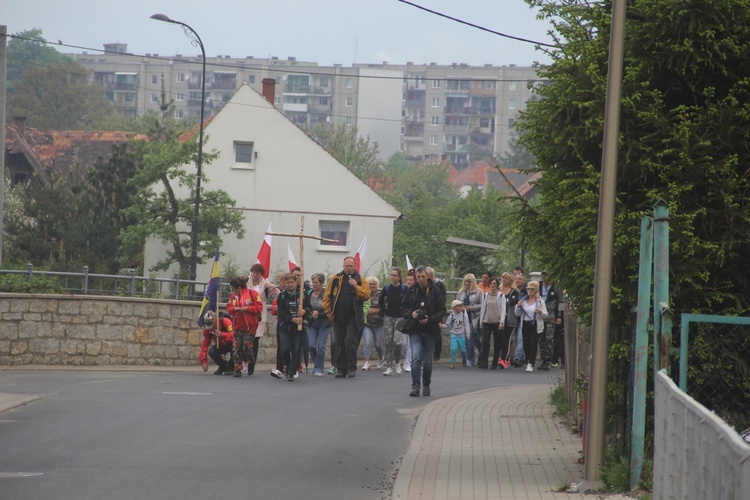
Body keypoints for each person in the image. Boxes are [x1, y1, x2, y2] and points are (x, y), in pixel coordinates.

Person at [402, 265, 446, 397]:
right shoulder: (412, 290)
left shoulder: (435, 290)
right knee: (415, 358)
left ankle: (426, 384)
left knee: (427, 361)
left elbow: (442, 310)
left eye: (423, 276)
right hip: (415, 329)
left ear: (428, 276)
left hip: (430, 330)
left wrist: (430, 319)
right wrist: (412, 314)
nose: (420, 279)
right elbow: (403, 307)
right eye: (418, 277)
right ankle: (415, 386)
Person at [323, 256, 370, 378]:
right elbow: (327, 296)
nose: (348, 268)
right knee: (339, 342)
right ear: (343, 266)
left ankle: (351, 367)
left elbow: (366, 295)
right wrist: (328, 312)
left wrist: (356, 286)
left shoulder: (361, 280)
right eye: (346, 266)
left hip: (353, 317)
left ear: (355, 266)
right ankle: (341, 368)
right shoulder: (336, 278)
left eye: (351, 266)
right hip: (338, 316)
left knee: (349, 340)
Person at [226, 276, 264, 377]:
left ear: (239, 288)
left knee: (247, 347)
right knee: (236, 348)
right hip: (237, 326)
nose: (232, 291)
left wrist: (247, 309)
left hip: (250, 326)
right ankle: (237, 369)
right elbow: (229, 308)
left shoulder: (252, 294)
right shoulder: (233, 297)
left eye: (233, 289)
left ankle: (250, 361)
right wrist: (235, 309)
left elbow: (259, 307)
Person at [276, 273, 311, 382]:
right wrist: (291, 319)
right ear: (285, 283)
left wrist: (304, 311)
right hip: (285, 326)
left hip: (298, 327)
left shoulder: (302, 295)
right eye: (288, 282)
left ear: (296, 282)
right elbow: (281, 312)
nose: (290, 284)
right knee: (285, 349)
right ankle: (287, 365)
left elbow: (309, 308)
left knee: (296, 350)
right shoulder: (281, 296)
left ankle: (291, 372)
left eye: (292, 282)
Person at [248, 263, 278, 376]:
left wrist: (272, 286)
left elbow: (276, 296)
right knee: (246, 341)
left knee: (255, 341)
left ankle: (251, 365)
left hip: (259, 316)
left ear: (261, 275)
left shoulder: (265, 284)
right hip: (247, 315)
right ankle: (245, 362)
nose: (255, 275)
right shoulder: (247, 283)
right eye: (254, 272)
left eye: (258, 273)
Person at [514, 280, 548, 372]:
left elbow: (546, 314)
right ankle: (527, 360)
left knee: (533, 344)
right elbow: (517, 314)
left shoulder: (540, 301)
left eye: (532, 289)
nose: (529, 291)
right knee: (525, 345)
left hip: (535, 324)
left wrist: (540, 311)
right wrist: (518, 306)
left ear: (536, 290)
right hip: (525, 323)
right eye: (528, 288)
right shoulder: (523, 300)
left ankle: (530, 363)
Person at [380, 267, 406, 376]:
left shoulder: (404, 288)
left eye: (395, 275)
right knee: (388, 342)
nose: (393, 277)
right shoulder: (387, 288)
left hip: (400, 317)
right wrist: (384, 311)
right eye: (391, 275)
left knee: (397, 342)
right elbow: (381, 300)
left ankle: (397, 362)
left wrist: (405, 312)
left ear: (399, 277)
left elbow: (408, 301)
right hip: (389, 317)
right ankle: (389, 366)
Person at [478, 276, 506, 369]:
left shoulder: (501, 296)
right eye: (491, 283)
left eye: (494, 283)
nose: (492, 285)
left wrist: (501, 322)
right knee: (485, 342)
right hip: (487, 321)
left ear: (497, 285)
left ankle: (494, 363)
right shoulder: (485, 295)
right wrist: (481, 322)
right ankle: (484, 362)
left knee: (497, 343)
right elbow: (483, 309)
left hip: (497, 322)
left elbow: (503, 310)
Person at [307, 273, 331, 376]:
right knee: (311, 345)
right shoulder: (309, 293)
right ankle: (317, 363)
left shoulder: (326, 294)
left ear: (322, 283)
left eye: (316, 283)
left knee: (321, 346)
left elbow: (330, 309)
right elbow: (306, 307)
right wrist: (310, 313)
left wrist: (319, 314)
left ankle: (318, 368)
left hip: (324, 323)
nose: (314, 285)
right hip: (312, 323)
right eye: (313, 283)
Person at [456, 273, 482, 368]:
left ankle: (468, 358)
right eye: (466, 281)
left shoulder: (479, 292)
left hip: (474, 317)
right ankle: (471, 354)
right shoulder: (461, 292)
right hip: (463, 318)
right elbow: (456, 303)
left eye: (469, 281)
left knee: (470, 337)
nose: (467, 283)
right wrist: (460, 308)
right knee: (464, 339)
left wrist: (471, 308)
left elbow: (482, 305)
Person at [199, 310, 235, 375]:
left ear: (215, 321)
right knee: (212, 352)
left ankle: (231, 367)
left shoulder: (225, 321)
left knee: (234, 348)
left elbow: (233, 336)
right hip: (221, 345)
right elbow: (204, 345)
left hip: (231, 343)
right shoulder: (207, 329)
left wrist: (222, 335)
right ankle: (223, 366)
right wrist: (203, 361)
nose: (210, 327)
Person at [538, 270, 561, 371]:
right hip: (540, 316)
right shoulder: (538, 286)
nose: (545, 277)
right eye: (543, 275)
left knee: (549, 338)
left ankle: (548, 360)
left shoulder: (556, 287)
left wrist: (559, 316)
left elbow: (561, 301)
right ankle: (543, 358)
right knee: (541, 338)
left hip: (551, 316)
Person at [498, 272, 521, 369]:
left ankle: (504, 359)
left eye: (506, 278)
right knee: (499, 339)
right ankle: (501, 357)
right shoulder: (499, 291)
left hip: (510, 319)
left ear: (511, 280)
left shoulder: (515, 292)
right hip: (499, 318)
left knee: (506, 338)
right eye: (503, 278)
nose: (504, 280)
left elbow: (516, 306)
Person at [362, 276, 384, 371]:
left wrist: (376, 310)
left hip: (378, 323)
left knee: (378, 344)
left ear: (377, 285)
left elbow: (385, 308)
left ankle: (380, 357)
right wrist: (367, 311)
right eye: (370, 284)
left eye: (374, 284)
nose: (372, 286)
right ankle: (367, 362)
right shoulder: (364, 295)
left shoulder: (381, 295)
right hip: (367, 323)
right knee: (367, 342)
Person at [425, 267, 447, 361]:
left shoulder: (439, 284)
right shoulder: (425, 285)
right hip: (427, 314)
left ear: (430, 275)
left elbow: (443, 299)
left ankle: (437, 354)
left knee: (437, 334)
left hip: (436, 314)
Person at [443, 300, 470, 369]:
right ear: (454, 308)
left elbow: (467, 325)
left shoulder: (464, 316)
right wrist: (441, 326)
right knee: (453, 349)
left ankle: (464, 359)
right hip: (454, 335)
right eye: (459, 306)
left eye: (461, 306)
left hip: (462, 335)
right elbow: (447, 324)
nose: (461, 307)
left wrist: (468, 334)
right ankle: (453, 362)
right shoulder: (451, 316)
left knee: (463, 350)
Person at [400, 269, 417, 373]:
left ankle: (408, 363)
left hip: (414, 320)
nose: (409, 281)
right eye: (407, 280)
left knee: (410, 344)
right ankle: (405, 358)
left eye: (411, 280)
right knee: (403, 344)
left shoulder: (416, 291)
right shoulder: (403, 291)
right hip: (405, 319)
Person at [512, 267, 528, 367]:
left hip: (523, 318)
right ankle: (522, 357)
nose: (517, 280)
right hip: (513, 318)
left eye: (519, 279)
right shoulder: (513, 291)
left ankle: (517, 357)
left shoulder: (526, 291)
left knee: (520, 339)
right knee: (516, 338)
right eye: (516, 279)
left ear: (524, 280)